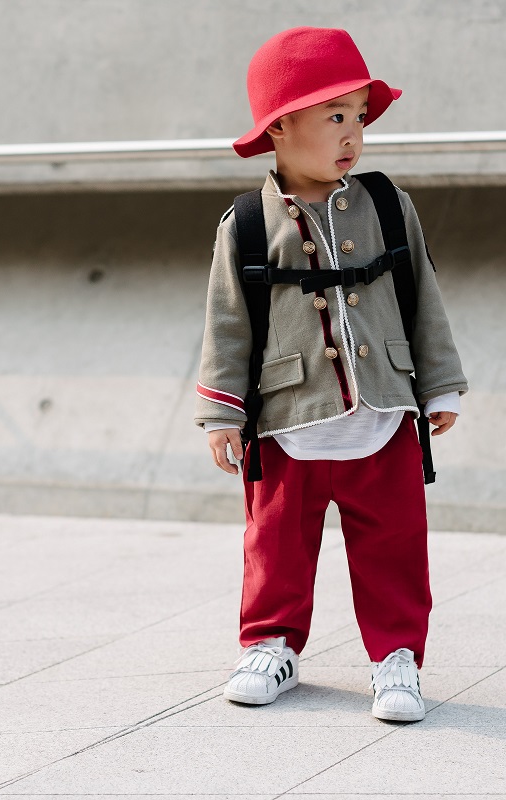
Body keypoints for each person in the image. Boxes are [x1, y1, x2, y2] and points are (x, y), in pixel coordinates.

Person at [194, 26, 468, 723]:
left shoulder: (387, 205)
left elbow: (422, 294)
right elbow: (228, 323)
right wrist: (223, 412)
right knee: (275, 544)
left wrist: (437, 382)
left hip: (384, 413)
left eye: (359, 117)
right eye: (335, 116)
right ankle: (270, 645)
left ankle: (396, 656)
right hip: (287, 418)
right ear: (280, 127)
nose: (353, 133)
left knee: (395, 544)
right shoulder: (246, 224)